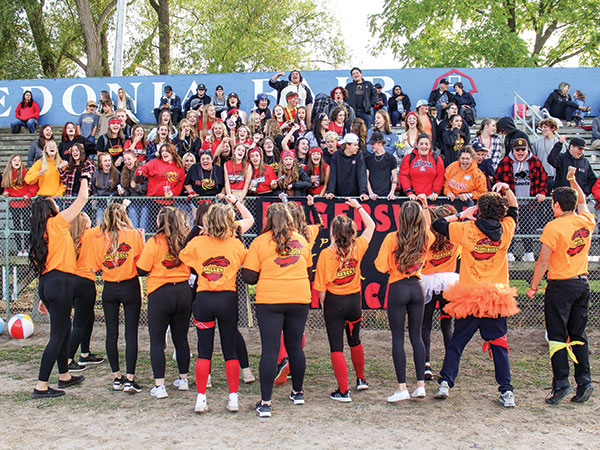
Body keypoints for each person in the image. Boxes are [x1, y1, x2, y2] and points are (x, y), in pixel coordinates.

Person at [433, 184, 520, 407]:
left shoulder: (466, 229)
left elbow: (438, 224)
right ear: (501, 213)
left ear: (479, 210)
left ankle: (445, 383)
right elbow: (514, 208)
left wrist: (462, 214)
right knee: (499, 344)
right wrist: (507, 189)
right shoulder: (506, 229)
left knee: (457, 343)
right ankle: (507, 391)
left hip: (469, 297)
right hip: (495, 298)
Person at [526, 171, 595, 404]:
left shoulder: (554, 227)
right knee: (578, 335)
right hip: (581, 283)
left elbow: (543, 260)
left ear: (556, 205)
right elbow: (584, 201)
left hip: (560, 285)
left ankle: (561, 383)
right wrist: (574, 182)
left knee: (557, 336)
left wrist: (534, 286)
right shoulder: (586, 221)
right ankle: (584, 380)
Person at [180, 198, 254, 412]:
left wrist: (196, 232)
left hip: (203, 298)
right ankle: (233, 398)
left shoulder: (197, 243)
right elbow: (244, 262)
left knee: (204, 351)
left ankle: (201, 398)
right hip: (227, 299)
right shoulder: (236, 244)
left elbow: (183, 254)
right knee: (230, 351)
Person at [242, 203, 312, 418]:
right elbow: (308, 269)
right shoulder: (301, 240)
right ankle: (298, 392)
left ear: (268, 220)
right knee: (295, 347)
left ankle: (266, 403)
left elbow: (249, 276)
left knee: (270, 350)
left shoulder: (261, 242)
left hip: (270, 299)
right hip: (299, 297)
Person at [29, 168, 90, 398]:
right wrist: (84, 176)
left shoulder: (38, 232)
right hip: (60, 281)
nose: (57, 204)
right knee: (58, 334)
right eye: (54, 202)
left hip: (48, 282)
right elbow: (82, 199)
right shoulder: (56, 223)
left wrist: (44, 297)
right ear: (50, 209)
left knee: (63, 329)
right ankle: (41, 385)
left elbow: (40, 269)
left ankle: (64, 375)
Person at [314, 198, 375, 402]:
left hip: (335, 302)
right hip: (354, 301)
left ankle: (343, 391)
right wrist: (358, 206)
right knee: (355, 340)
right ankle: (361, 379)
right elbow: (372, 225)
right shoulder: (358, 246)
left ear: (333, 233)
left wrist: (324, 308)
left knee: (337, 347)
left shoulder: (326, 254)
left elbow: (321, 288)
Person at [375, 199, 434, 402]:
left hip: (398, 287)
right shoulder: (426, 236)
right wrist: (424, 207)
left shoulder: (392, 238)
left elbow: (380, 267)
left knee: (398, 338)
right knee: (416, 336)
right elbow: (428, 225)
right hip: (417, 287)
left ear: (400, 218)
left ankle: (401, 387)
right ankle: (420, 385)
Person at [136, 207, 192, 399]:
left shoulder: (154, 242)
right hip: (183, 292)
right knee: (181, 338)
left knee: (157, 341)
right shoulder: (185, 241)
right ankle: (183, 379)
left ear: (160, 222)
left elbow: (141, 269)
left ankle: (160, 385)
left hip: (160, 292)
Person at [89, 203, 144, 393]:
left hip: (109, 287)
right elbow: (141, 261)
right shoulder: (133, 234)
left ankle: (116, 376)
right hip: (129, 285)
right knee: (131, 334)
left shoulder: (98, 238)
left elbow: (94, 266)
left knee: (111, 333)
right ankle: (130, 378)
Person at [420, 205, 460, 381]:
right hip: (448, 282)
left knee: (425, 324)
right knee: (447, 324)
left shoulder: (427, 238)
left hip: (428, 281)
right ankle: (449, 364)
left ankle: (425, 364)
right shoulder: (455, 239)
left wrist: (425, 206)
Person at [494, 137, 548, 261]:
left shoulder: (535, 161)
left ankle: (529, 252)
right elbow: (497, 179)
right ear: (513, 150)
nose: (520, 152)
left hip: (529, 203)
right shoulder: (505, 162)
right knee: (509, 227)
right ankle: (509, 252)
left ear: (527, 149)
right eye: (517, 149)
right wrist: (503, 193)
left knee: (527, 227)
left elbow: (544, 179)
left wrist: (542, 192)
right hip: (510, 204)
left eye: (523, 149)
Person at [66, 212, 104, 373]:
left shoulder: (68, 239)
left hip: (70, 282)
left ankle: (85, 353)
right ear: (84, 225)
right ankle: (68, 359)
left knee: (89, 318)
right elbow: (107, 224)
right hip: (85, 282)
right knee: (80, 323)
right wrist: (123, 205)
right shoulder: (89, 235)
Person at [2, 155, 37, 255]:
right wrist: (5, 192)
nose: (17, 162)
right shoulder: (7, 173)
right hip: (13, 204)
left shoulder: (25, 172)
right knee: (16, 227)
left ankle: (26, 249)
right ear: (11, 162)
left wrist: (29, 194)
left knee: (26, 226)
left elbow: (32, 185)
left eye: (19, 160)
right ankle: (19, 249)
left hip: (25, 204)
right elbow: (6, 186)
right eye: (14, 160)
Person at [137, 143, 185, 210]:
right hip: (153, 201)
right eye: (162, 151)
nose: (164, 153)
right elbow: (145, 168)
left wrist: (173, 192)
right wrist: (140, 170)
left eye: (167, 151)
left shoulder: (179, 167)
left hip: (170, 202)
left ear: (173, 153)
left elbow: (180, 183)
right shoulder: (155, 162)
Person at [399, 134, 445, 200]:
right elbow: (403, 175)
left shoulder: (437, 159)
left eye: (426, 144)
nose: (424, 146)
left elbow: (440, 176)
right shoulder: (408, 158)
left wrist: (435, 192)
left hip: (431, 198)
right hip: (413, 198)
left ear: (430, 145)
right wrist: (409, 192)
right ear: (417, 145)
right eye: (421, 144)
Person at [325, 134, 369, 200]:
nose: (357, 147)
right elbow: (333, 175)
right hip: (339, 194)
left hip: (355, 195)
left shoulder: (359, 155)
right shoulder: (336, 156)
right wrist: (331, 192)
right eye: (355, 145)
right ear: (347, 145)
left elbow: (361, 174)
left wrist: (363, 192)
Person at [119, 151, 148, 229]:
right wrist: (123, 192)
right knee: (133, 225)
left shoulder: (142, 169)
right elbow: (127, 191)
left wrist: (136, 186)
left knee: (143, 226)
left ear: (135, 159)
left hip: (145, 202)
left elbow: (147, 186)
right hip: (132, 202)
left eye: (129, 159)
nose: (127, 161)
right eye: (125, 160)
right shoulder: (125, 172)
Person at [365, 132, 398, 201]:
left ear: (380, 143)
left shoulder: (390, 158)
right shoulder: (368, 159)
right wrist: (370, 193)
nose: (371, 146)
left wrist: (392, 193)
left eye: (373, 144)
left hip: (386, 194)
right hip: (371, 195)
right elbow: (366, 178)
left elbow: (395, 178)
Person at [531, 118, 560, 190]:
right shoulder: (537, 143)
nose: (543, 129)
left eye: (545, 127)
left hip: (555, 177)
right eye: (542, 127)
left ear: (553, 128)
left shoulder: (559, 143)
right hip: (541, 177)